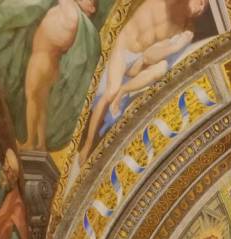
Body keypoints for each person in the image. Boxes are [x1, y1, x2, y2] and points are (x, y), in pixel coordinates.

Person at [80, 0, 209, 163]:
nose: (202, 8)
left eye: (205, 7)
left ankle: (124, 90)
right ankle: (87, 146)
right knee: (110, 91)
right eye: (202, 2)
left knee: (161, 67)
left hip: (139, 61)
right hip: (123, 48)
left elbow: (149, 56)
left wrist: (173, 47)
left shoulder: (187, 29)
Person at [23, 0, 97, 150]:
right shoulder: (73, 15)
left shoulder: (72, 13)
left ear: (91, 7)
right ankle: (41, 143)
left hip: (41, 58)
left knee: (31, 96)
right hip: (51, 63)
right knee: (41, 104)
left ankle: (30, 141)